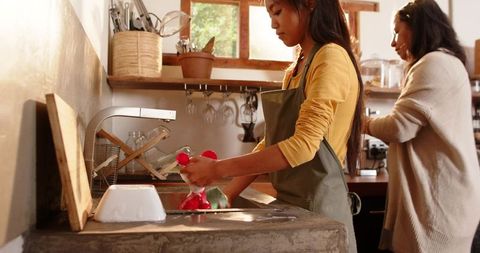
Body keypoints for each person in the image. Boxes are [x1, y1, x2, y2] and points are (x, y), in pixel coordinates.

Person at [180, 0, 363, 252]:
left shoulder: (331, 58)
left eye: (277, 11)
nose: (273, 23)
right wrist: (228, 193)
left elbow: (302, 147)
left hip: (321, 216)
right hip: (292, 211)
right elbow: (272, 143)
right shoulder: (295, 69)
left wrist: (217, 169)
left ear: (309, 4)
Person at [363, 0, 480, 252]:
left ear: (418, 28)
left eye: (397, 31)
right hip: (447, 200)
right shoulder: (445, 62)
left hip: (440, 204)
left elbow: (398, 127)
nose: (393, 42)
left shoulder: (434, 64)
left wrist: (363, 123)